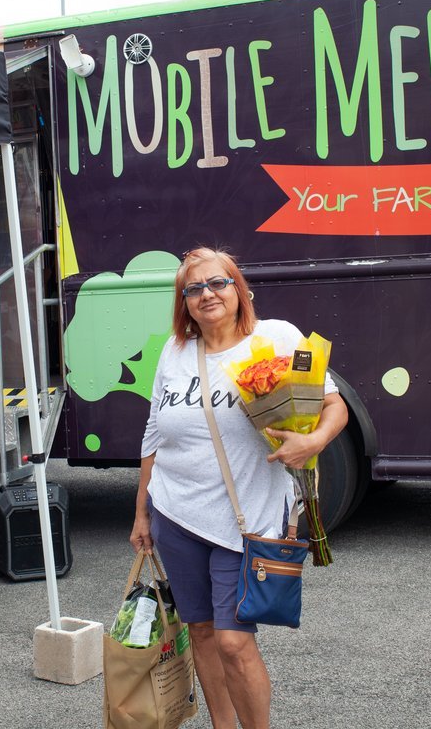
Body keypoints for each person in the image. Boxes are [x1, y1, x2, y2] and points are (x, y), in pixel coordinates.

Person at [131, 246, 348, 729]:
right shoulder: (175, 350)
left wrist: (311, 440)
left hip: (243, 517)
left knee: (234, 641)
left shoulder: (274, 338)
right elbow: (153, 432)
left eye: (217, 283)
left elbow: (334, 406)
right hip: (175, 514)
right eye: (193, 289)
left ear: (239, 288)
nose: (206, 294)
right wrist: (142, 511)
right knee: (203, 633)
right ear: (183, 303)